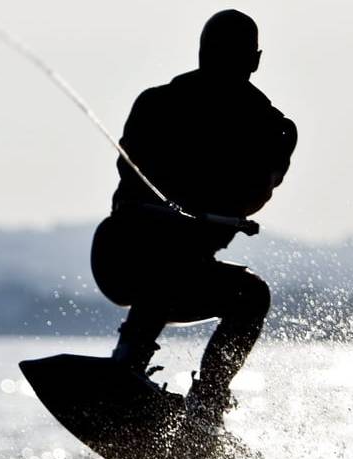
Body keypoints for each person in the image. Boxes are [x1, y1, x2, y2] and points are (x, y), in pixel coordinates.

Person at [90, 9, 296, 426]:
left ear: (253, 63)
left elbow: (253, 197)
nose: (219, 67)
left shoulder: (274, 130)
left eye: (230, 59)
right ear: (201, 54)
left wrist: (214, 207)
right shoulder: (157, 105)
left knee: (252, 296)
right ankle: (127, 361)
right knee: (168, 251)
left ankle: (207, 405)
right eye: (214, 55)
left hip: (188, 274)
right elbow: (131, 176)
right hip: (123, 257)